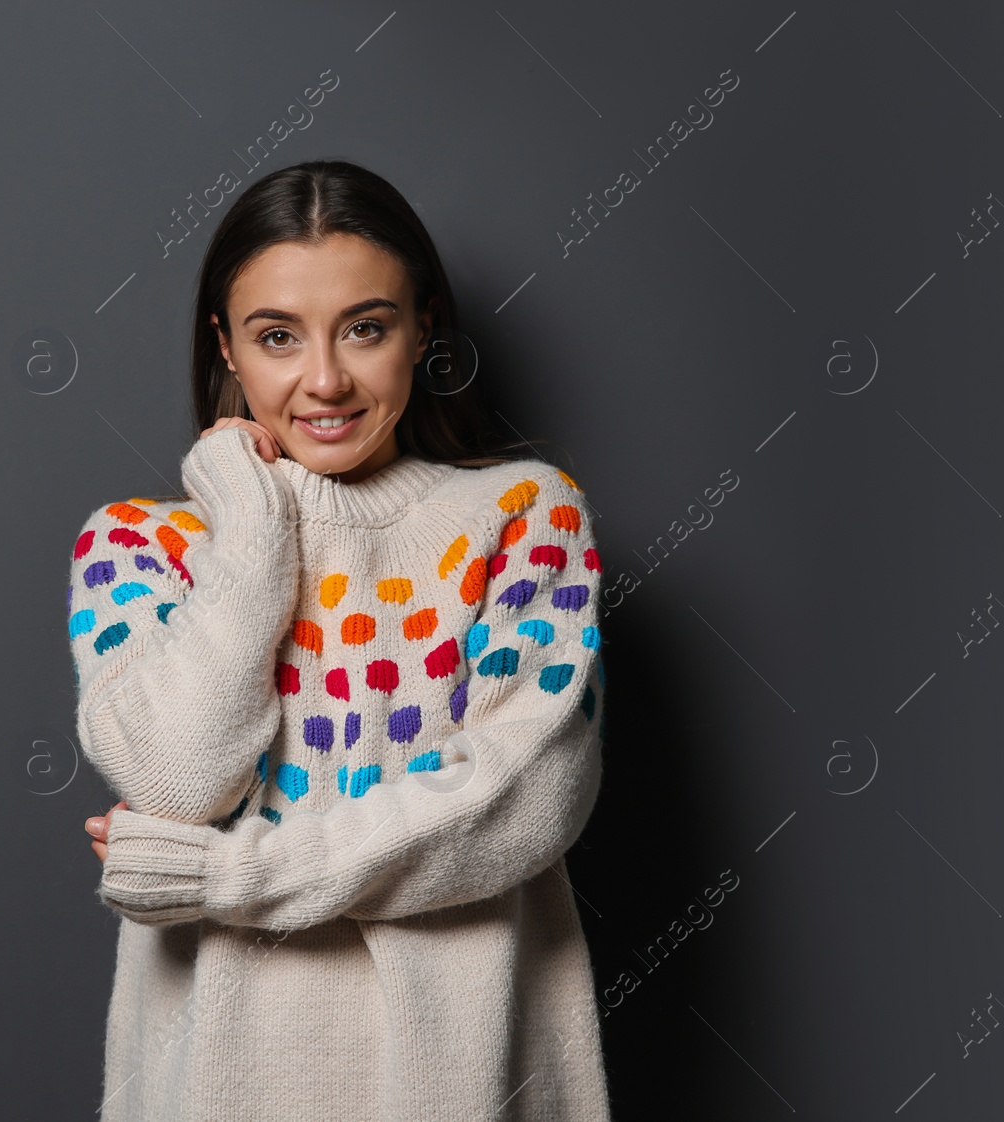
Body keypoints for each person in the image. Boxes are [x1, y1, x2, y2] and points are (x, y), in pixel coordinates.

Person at [67, 158, 611, 1120]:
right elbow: (177, 781)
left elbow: (521, 800)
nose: (324, 379)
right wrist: (251, 514)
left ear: (424, 328)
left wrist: (223, 874)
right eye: (277, 336)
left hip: (465, 1079)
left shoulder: (526, 516)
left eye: (366, 327)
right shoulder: (137, 545)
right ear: (226, 349)